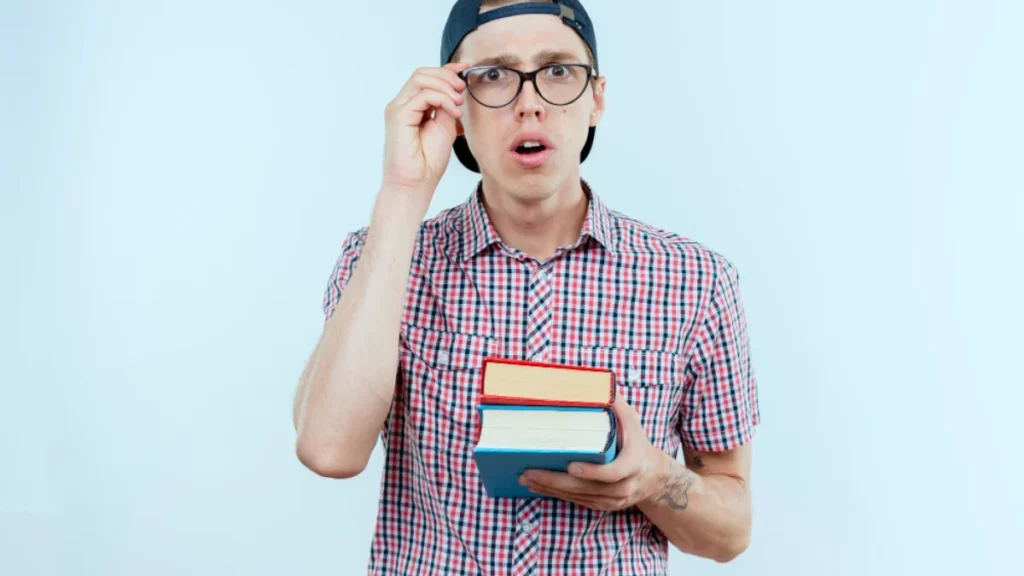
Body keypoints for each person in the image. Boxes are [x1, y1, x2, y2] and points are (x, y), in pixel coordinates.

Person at [292, 1, 760, 573]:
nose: (529, 102)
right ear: (455, 106)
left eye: (558, 70)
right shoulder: (385, 260)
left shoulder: (696, 280)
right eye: (494, 75)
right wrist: (403, 190)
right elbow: (329, 450)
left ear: (597, 99)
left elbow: (731, 532)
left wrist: (654, 477)